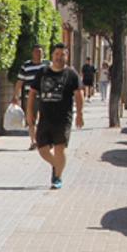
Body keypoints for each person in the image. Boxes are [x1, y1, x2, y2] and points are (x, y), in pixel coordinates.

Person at [27, 43, 84, 190]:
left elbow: (79, 94)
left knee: (60, 149)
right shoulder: (43, 72)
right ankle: (56, 165)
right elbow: (32, 93)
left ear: (67, 56)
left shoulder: (71, 74)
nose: (59, 57)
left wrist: (80, 114)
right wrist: (30, 113)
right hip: (45, 117)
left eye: (62, 54)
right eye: (56, 54)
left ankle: (57, 177)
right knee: (42, 148)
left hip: (63, 118)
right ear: (52, 55)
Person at [14, 45, 47, 149]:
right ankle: (33, 142)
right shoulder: (26, 66)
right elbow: (20, 81)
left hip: (45, 97)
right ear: (32, 53)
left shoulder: (47, 65)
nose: (38, 54)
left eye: (40, 52)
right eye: (36, 52)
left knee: (43, 120)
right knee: (31, 120)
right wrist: (16, 95)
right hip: (30, 97)